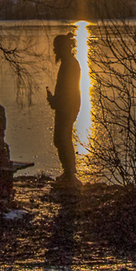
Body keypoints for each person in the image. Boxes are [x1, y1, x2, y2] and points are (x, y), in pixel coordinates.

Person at [45, 32, 80, 186]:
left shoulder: (70, 64)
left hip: (67, 107)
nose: (54, 51)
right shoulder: (68, 63)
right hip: (66, 106)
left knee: (62, 138)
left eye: (56, 47)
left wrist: (55, 101)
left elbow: (67, 90)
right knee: (61, 139)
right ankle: (68, 173)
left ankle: (70, 175)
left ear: (62, 48)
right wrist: (54, 100)